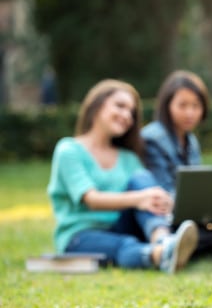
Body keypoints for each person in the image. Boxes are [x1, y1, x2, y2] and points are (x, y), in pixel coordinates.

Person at [47, 79, 198, 273]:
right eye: (120, 106)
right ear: (97, 105)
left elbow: (144, 193)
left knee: (142, 180)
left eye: (131, 112)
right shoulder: (68, 150)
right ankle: (160, 254)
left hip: (121, 225)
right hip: (81, 235)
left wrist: (161, 200)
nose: (126, 115)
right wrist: (140, 199)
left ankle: (162, 239)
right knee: (126, 243)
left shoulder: (128, 157)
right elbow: (92, 199)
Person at [141, 70, 209, 194]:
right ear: (167, 105)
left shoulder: (191, 141)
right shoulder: (152, 139)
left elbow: (197, 185)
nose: (190, 113)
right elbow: (164, 190)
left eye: (196, 106)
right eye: (182, 105)